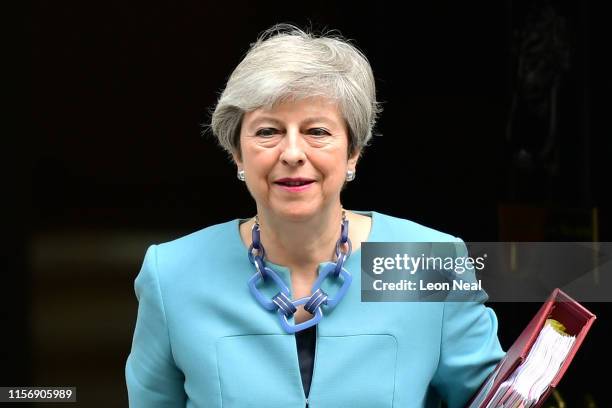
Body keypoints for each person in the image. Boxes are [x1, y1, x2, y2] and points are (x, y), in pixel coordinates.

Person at [125, 24, 505, 408]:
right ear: (238, 153)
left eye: (317, 131)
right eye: (268, 131)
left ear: (353, 152)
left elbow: (497, 398)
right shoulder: (173, 273)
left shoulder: (425, 261)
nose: (292, 153)